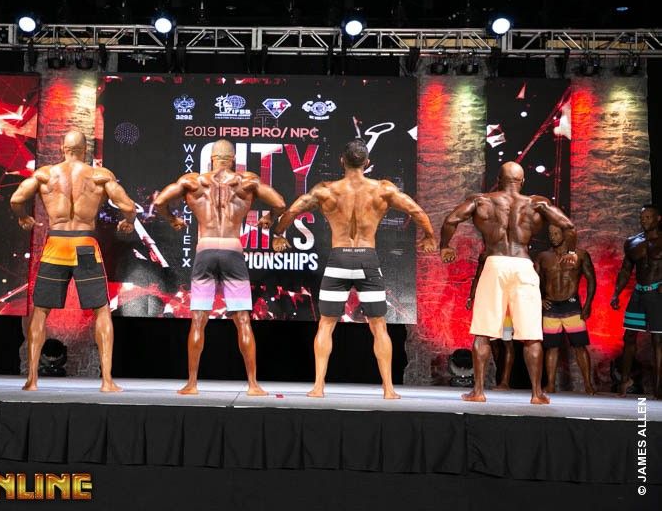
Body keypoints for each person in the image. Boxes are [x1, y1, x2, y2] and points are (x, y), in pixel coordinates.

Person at [273, 139, 437, 399]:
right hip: (367, 260)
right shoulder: (382, 189)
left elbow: (293, 210)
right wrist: (429, 236)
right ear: (367, 163)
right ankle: (388, 389)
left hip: (338, 260)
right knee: (379, 326)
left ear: (342, 161)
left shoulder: (326, 190)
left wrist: (279, 234)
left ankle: (318, 387)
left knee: (326, 324)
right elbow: (415, 210)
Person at [154, 139, 286, 396]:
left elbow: (160, 202)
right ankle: (253, 385)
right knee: (243, 319)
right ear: (233, 159)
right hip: (232, 250)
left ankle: (192, 384)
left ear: (211, 158)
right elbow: (280, 203)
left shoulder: (192, 181)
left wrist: (172, 220)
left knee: (198, 319)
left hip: (205, 249)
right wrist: (270, 217)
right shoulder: (246, 181)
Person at [440, 161, 577, 405]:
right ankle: (537, 394)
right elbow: (568, 226)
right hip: (523, 266)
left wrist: (445, 246)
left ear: (498, 180)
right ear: (522, 181)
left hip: (495, 264)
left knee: (483, 333)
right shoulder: (537, 203)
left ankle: (478, 392)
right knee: (531, 336)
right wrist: (572, 252)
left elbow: (451, 220)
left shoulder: (482, 200)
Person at [11, 130, 136, 392]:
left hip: (56, 245)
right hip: (84, 245)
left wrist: (22, 217)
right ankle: (107, 381)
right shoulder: (99, 175)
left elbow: (16, 199)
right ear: (86, 150)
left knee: (41, 311)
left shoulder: (46, 174)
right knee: (101, 311)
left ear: (62, 148)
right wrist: (128, 222)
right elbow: (128, 206)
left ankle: (32, 379)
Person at [535, 224, 596, 394]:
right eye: (550, 234)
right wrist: (540, 299)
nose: (553, 237)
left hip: (572, 305)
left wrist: (588, 304)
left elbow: (591, 279)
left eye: (556, 233)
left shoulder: (580, 255)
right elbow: (532, 280)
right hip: (551, 306)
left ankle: (588, 385)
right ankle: (551, 385)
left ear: (565, 235)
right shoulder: (543, 257)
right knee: (551, 347)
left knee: (579, 345)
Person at [611, 203, 662, 398]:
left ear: (658, 219)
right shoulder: (632, 242)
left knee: (658, 340)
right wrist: (616, 293)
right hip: (639, 294)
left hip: (657, 294)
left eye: (648, 217)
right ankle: (624, 382)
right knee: (629, 337)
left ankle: (658, 388)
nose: (644, 220)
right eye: (642, 217)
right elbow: (625, 270)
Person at [468, 252, 514, 390]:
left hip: (507, 305)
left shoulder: (513, 252)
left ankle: (505, 381)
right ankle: (499, 378)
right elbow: (477, 277)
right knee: (492, 344)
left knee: (507, 343)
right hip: (490, 304)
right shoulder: (485, 255)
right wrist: (471, 297)